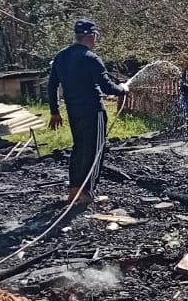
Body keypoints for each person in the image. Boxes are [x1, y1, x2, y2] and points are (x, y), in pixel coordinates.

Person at [47, 20, 129, 203]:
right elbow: (107, 87)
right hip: (94, 111)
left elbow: (52, 85)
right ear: (91, 36)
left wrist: (54, 111)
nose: (96, 39)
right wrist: (123, 89)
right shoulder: (91, 58)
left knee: (79, 148)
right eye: (96, 36)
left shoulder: (61, 56)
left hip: (73, 110)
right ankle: (87, 192)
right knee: (95, 150)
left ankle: (74, 190)